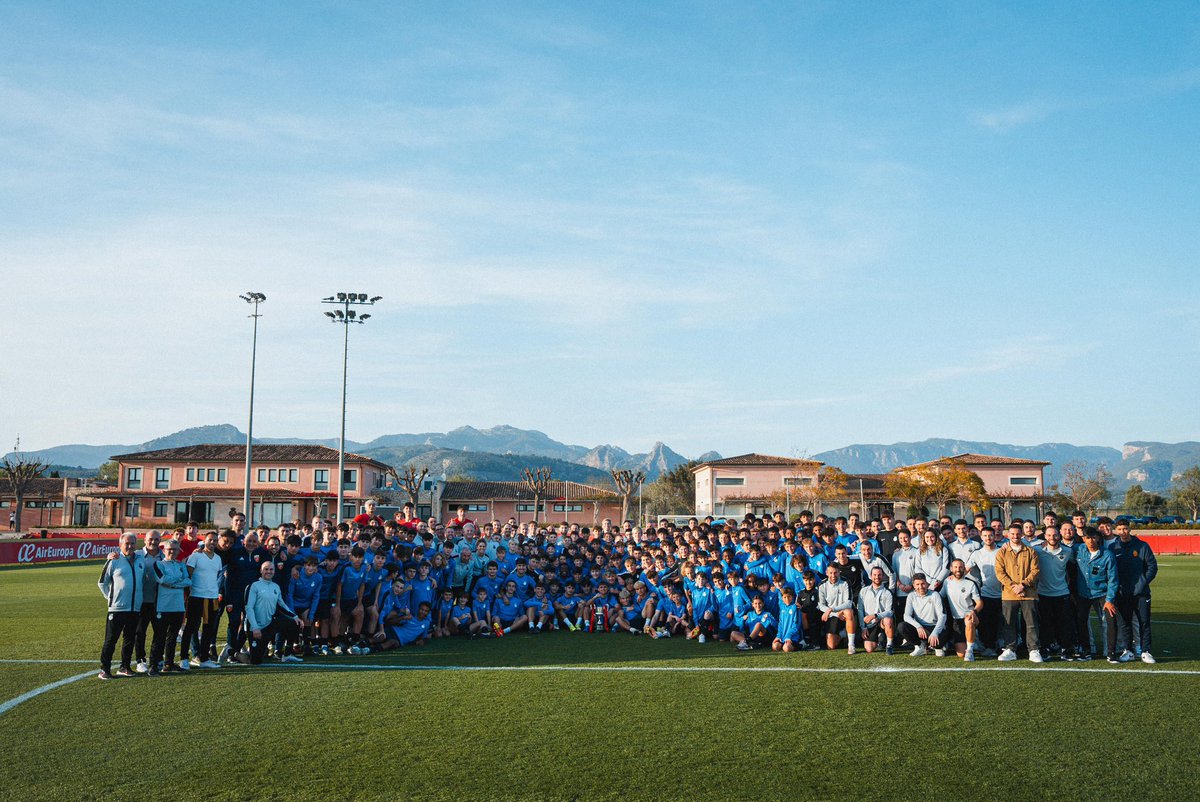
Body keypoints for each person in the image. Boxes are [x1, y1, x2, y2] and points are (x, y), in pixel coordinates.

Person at [97, 533, 147, 679]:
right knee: (111, 640)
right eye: (127, 543)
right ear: (120, 545)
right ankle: (104, 669)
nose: (130, 546)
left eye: (132, 543)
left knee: (129, 639)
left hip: (135, 608)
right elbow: (102, 582)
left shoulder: (140, 561)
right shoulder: (114, 561)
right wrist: (111, 599)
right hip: (117, 608)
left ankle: (124, 667)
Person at [1108, 521, 1158, 664]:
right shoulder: (1113, 547)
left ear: (1129, 529)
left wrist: (1142, 583)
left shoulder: (1142, 546)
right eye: (1119, 529)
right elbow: (1111, 570)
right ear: (1115, 530)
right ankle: (1128, 650)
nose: (1123, 531)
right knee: (1125, 623)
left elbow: (1152, 567)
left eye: (1125, 528)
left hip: (1141, 593)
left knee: (1144, 622)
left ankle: (1145, 651)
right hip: (1122, 593)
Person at [994, 523, 1042, 663]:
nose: (1015, 536)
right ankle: (1010, 649)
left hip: (1029, 593)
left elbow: (1035, 571)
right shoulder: (1002, 552)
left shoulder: (1031, 551)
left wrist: (1023, 585)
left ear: (1022, 534)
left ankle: (1033, 649)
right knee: (1009, 622)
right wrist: (1014, 586)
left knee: (1031, 623)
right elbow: (999, 572)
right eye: (1012, 534)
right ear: (1007, 535)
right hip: (1009, 593)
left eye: (1018, 534)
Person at [241, 562, 303, 665]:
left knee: (294, 623)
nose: (269, 571)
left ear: (274, 571)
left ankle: (287, 655)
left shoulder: (276, 587)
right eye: (266, 569)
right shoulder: (254, 586)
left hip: (269, 624)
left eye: (271, 569)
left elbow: (281, 605)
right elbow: (249, 608)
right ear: (261, 571)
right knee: (255, 661)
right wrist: (255, 627)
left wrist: (295, 617)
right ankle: (236, 654)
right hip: (255, 628)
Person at [1032, 526, 1077, 660]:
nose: (1052, 538)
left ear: (1059, 535)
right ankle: (1045, 648)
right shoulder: (1037, 550)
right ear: (1045, 536)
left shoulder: (1068, 551)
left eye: (1055, 535)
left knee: (1064, 623)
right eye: (1049, 535)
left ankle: (1066, 649)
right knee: (1045, 623)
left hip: (1062, 593)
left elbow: (1073, 568)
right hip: (1043, 593)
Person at [181, 532, 224, 669]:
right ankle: (184, 658)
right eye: (210, 540)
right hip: (196, 597)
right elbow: (188, 575)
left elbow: (215, 576)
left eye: (215, 540)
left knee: (208, 629)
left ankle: (204, 658)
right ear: (204, 540)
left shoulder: (218, 558)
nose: (213, 542)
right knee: (190, 628)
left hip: (212, 598)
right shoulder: (196, 556)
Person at [149, 538, 192, 675]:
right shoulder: (158, 564)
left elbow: (188, 581)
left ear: (179, 550)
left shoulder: (181, 565)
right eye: (169, 549)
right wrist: (177, 582)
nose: (172, 552)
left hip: (178, 606)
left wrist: (172, 583)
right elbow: (162, 579)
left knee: (172, 637)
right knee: (159, 637)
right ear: (164, 550)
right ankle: (153, 665)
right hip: (163, 606)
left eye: (175, 549)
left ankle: (169, 663)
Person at [1075, 528, 1117, 661]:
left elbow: (1113, 579)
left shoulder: (1107, 555)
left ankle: (1110, 652)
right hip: (1083, 593)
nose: (1091, 541)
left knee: (1110, 621)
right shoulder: (1078, 550)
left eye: (1093, 538)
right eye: (1088, 538)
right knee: (1081, 621)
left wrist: (1109, 599)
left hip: (1102, 593)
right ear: (1083, 539)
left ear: (1098, 538)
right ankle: (1087, 651)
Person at [132, 530, 163, 673]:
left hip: (159, 601)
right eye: (151, 539)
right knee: (140, 632)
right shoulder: (136, 555)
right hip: (141, 601)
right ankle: (140, 660)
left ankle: (155, 660)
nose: (153, 542)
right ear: (145, 540)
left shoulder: (164, 556)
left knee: (159, 632)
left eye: (157, 539)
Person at [941, 559, 982, 661]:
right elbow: (939, 597)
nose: (958, 570)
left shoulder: (971, 583)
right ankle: (973, 640)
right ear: (951, 569)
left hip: (970, 616)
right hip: (956, 620)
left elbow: (980, 603)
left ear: (964, 568)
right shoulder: (947, 582)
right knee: (960, 654)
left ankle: (970, 651)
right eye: (955, 567)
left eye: (960, 567)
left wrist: (974, 612)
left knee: (968, 621)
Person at [902, 573, 946, 657]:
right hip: (921, 628)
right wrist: (918, 626)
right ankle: (920, 646)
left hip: (934, 626)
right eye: (917, 584)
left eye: (923, 583)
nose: (921, 587)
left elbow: (942, 616)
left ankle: (937, 647)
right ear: (914, 586)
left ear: (927, 584)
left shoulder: (935, 595)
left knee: (938, 644)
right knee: (902, 627)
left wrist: (935, 633)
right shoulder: (911, 596)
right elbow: (906, 616)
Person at [817, 563, 857, 655]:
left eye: (835, 573)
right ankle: (843, 634)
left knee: (848, 612)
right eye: (830, 573)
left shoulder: (845, 582)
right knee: (831, 646)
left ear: (839, 572)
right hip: (833, 615)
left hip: (844, 612)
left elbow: (848, 603)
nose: (833, 575)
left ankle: (851, 645)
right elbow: (821, 605)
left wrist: (832, 609)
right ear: (826, 573)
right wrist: (834, 613)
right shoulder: (822, 585)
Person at [857, 566, 895, 655]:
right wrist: (863, 627)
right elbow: (860, 610)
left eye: (879, 575)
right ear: (870, 576)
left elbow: (890, 612)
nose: (877, 577)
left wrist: (875, 615)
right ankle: (880, 638)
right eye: (874, 575)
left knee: (888, 619)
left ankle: (889, 645)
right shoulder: (863, 591)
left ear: (883, 576)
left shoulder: (887, 592)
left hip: (882, 621)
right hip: (870, 624)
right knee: (869, 649)